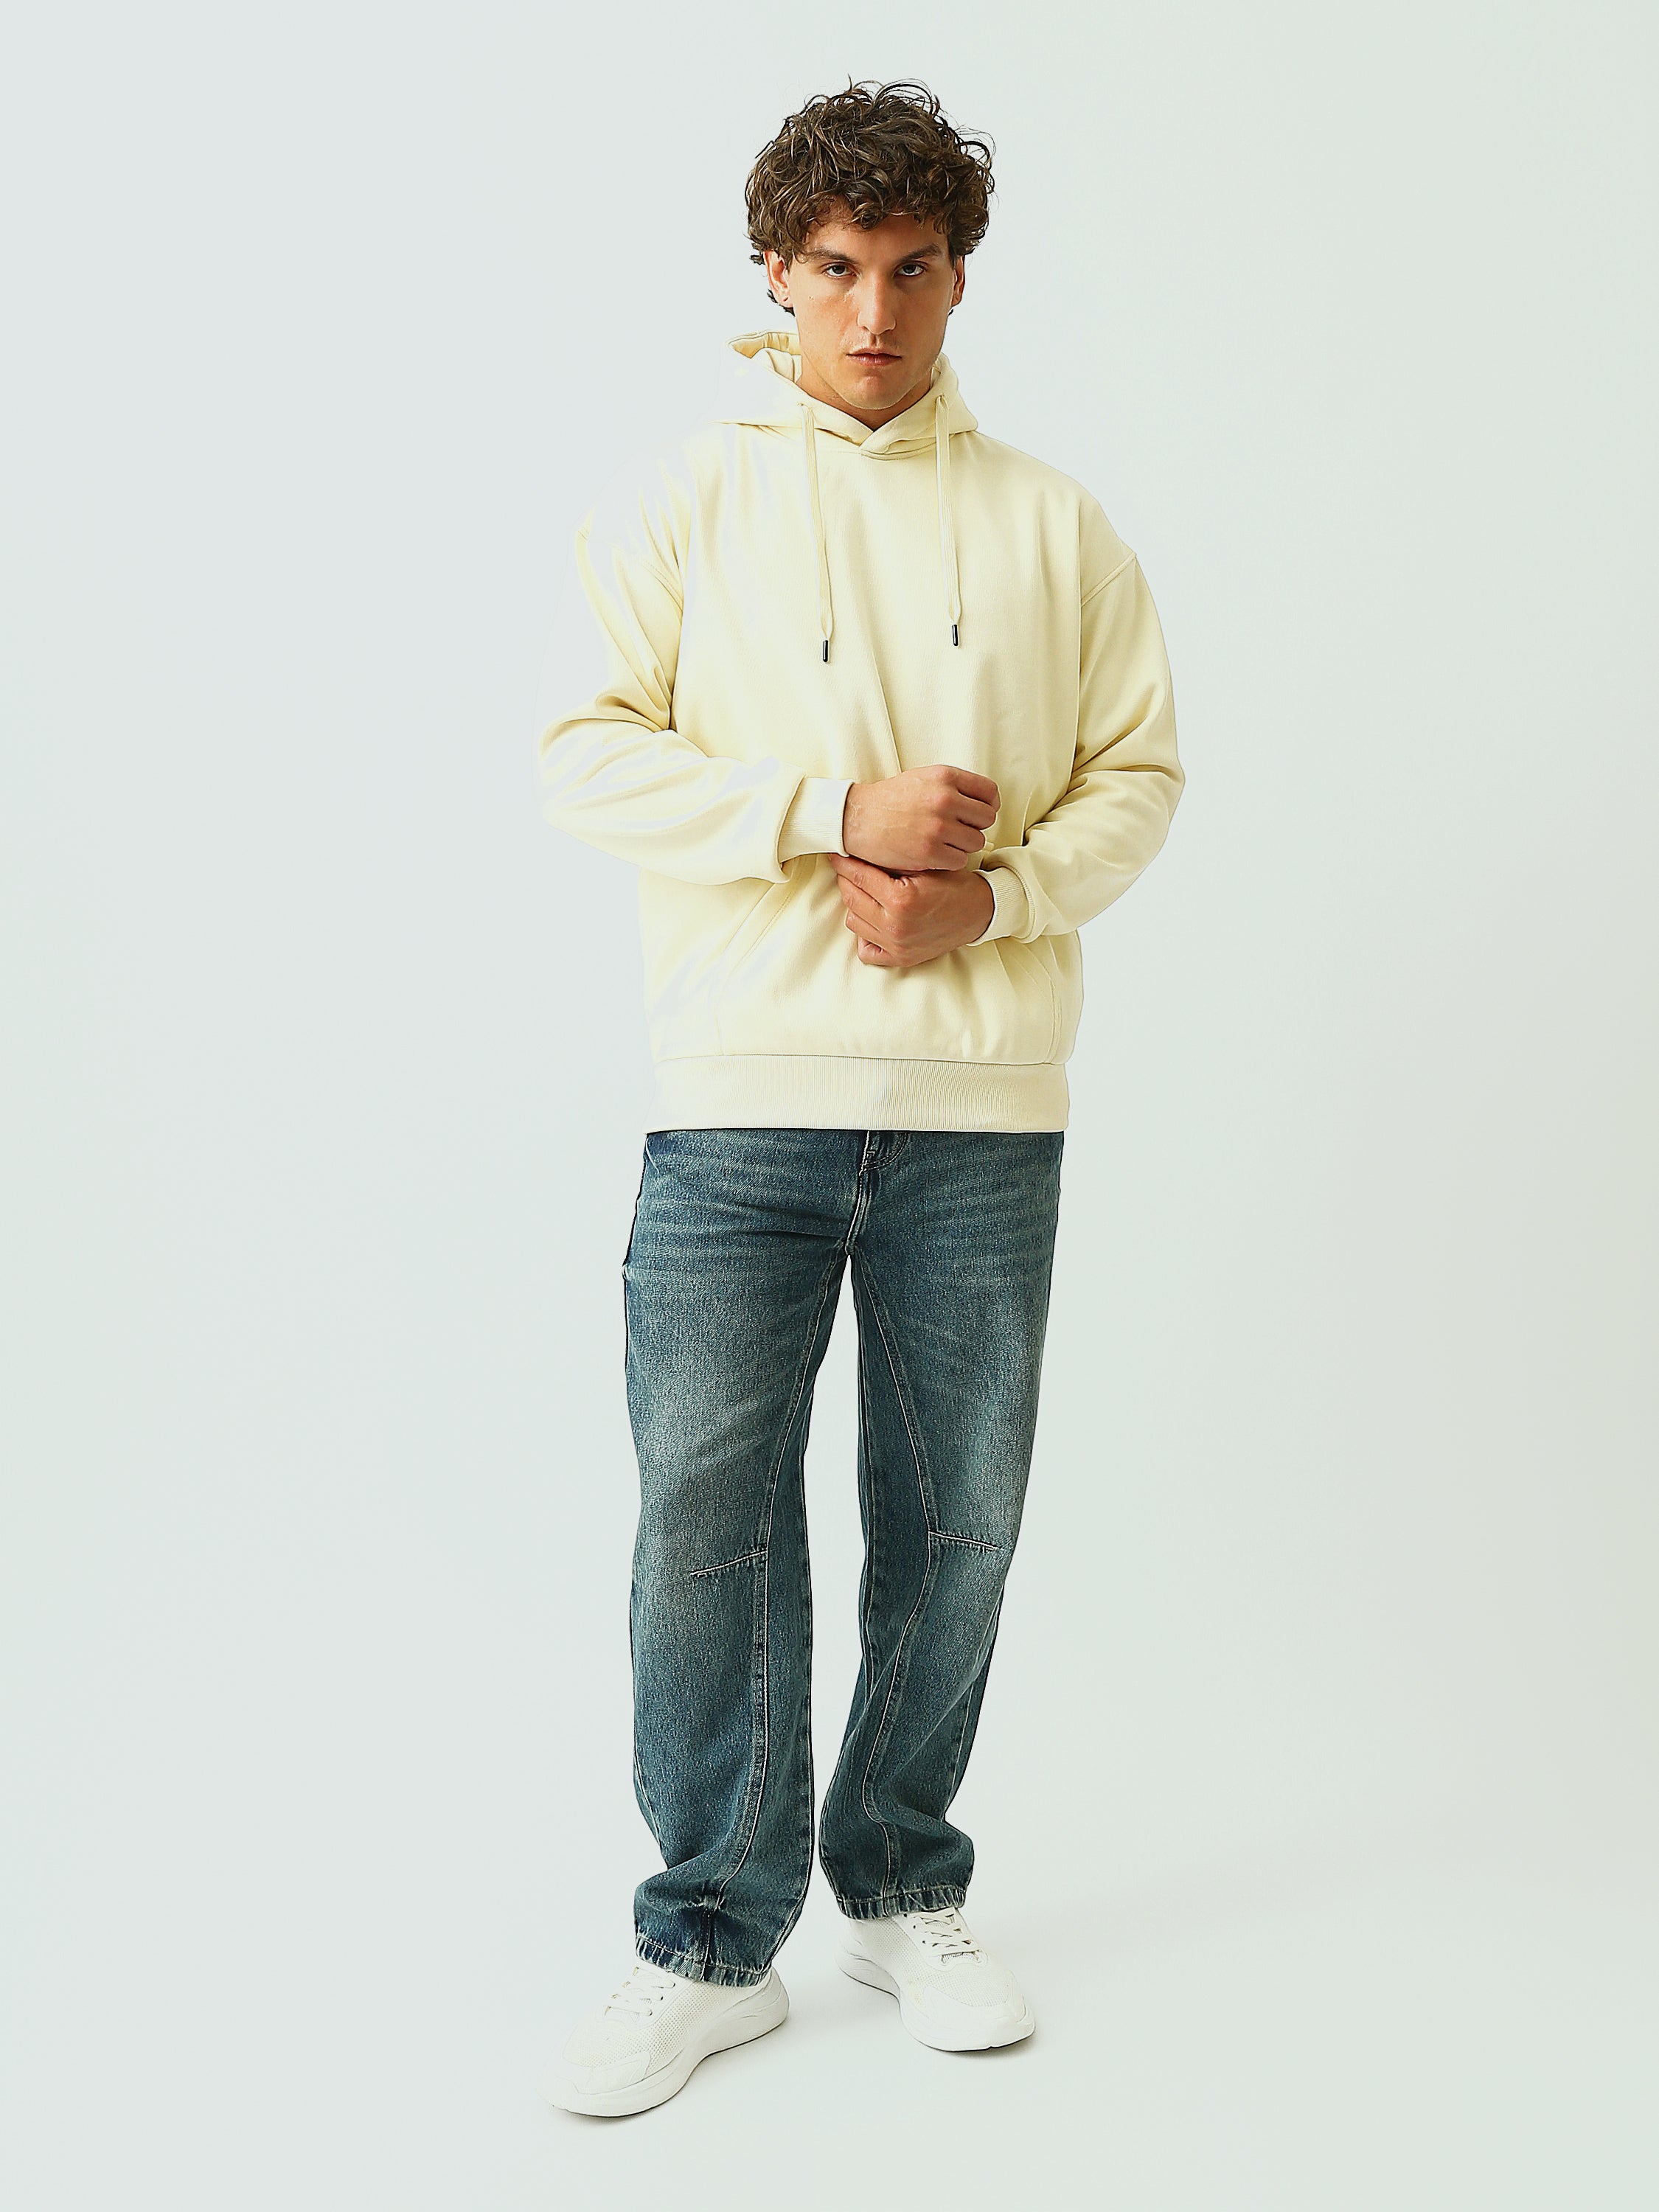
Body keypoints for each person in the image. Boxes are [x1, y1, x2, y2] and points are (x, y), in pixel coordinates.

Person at [535, 77, 1184, 2117]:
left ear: (957, 278)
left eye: (910, 269)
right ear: (776, 273)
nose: (873, 310)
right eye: (835, 268)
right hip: (741, 1098)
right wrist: (828, 813)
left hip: (983, 1112)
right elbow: (583, 750)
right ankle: (708, 1936)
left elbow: (1140, 777)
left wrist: (994, 895)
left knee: (955, 1520)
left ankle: (900, 1883)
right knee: (702, 1523)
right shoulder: (681, 502)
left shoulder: (1054, 525)